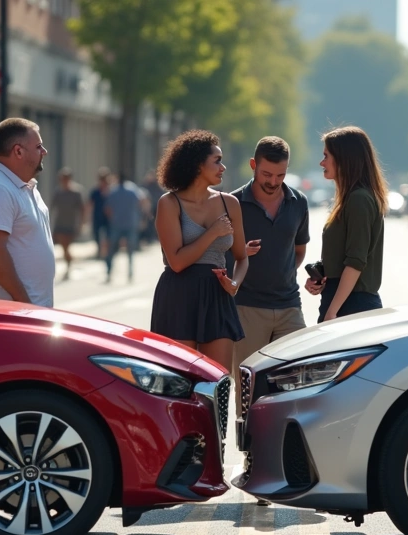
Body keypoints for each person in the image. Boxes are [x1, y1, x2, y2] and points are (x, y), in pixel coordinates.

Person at [150, 130, 249, 371]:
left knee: (218, 380)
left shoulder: (230, 203)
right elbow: (177, 262)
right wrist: (213, 232)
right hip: (179, 295)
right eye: (217, 161)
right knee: (179, 381)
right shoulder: (169, 203)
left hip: (217, 296)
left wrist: (235, 284)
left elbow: (242, 257)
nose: (223, 167)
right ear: (196, 165)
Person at [229, 136, 310, 392]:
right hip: (246, 310)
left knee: (297, 384)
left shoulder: (299, 203)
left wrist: (282, 272)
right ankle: (248, 434)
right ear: (253, 165)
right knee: (248, 390)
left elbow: (299, 250)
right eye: (267, 174)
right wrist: (240, 254)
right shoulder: (233, 204)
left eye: (280, 175)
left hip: (290, 308)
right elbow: (217, 255)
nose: (273, 182)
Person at [0, 117, 55, 307]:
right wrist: (26, 306)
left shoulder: (24, 187)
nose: (44, 152)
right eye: (39, 146)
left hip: (27, 314)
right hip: (9, 316)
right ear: (18, 151)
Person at [303, 126, 386, 323]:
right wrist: (323, 277)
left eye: (326, 156)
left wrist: (332, 313)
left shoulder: (359, 199)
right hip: (341, 301)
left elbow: (356, 262)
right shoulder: (350, 199)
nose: (321, 162)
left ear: (343, 159)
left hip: (353, 306)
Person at [104, 172, 146, 284]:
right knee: (130, 250)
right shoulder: (133, 189)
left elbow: (107, 209)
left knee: (112, 249)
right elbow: (142, 201)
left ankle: (109, 271)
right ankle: (130, 273)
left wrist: (112, 218)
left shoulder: (113, 191)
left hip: (116, 223)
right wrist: (140, 217)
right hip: (131, 223)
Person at [51, 167, 85, 281]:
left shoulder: (76, 192)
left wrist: (81, 224)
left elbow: (82, 209)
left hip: (71, 224)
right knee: (63, 247)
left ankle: (69, 263)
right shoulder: (58, 192)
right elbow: (53, 208)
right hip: (60, 223)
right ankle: (69, 262)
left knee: (67, 246)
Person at [88, 167, 111, 259]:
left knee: (109, 236)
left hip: (108, 218)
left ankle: (107, 252)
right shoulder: (95, 191)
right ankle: (99, 251)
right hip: (97, 216)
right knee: (97, 235)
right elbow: (90, 204)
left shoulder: (111, 191)